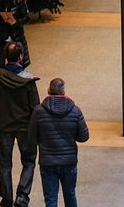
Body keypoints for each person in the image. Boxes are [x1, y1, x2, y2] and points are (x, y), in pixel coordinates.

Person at [0, 39, 39, 207]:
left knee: (5, 164)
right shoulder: (28, 81)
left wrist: (1, 109)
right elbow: (35, 107)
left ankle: (6, 199)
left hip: (4, 127)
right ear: (20, 57)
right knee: (28, 161)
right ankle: (22, 197)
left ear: (6, 58)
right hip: (24, 128)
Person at [29, 78, 89, 207]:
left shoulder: (39, 111)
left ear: (48, 91)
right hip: (69, 161)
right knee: (70, 195)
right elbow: (84, 137)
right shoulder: (75, 110)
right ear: (63, 92)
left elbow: (32, 137)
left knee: (50, 199)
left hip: (47, 161)